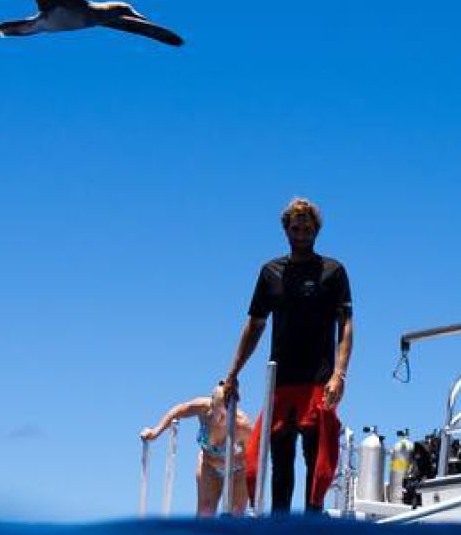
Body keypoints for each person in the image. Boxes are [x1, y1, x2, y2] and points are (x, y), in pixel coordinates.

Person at [221, 197, 352, 515]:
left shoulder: (333, 271)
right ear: (286, 230)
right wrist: (233, 374)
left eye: (307, 229)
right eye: (296, 228)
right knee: (280, 461)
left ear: (316, 230)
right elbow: (254, 325)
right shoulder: (270, 272)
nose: (301, 234)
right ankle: (280, 526)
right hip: (280, 381)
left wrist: (340, 374)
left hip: (319, 380)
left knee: (316, 459)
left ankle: (311, 523)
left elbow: (346, 325)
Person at [139, 385, 260, 517]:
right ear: (211, 405)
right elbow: (178, 411)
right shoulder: (202, 409)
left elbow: (254, 456)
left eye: (224, 415)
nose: (219, 418)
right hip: (209, 467)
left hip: (237, 472)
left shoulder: (243, 427)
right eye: (217, 413)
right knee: (205, 512)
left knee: (236, 513)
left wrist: (253, 495)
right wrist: (155, 432)